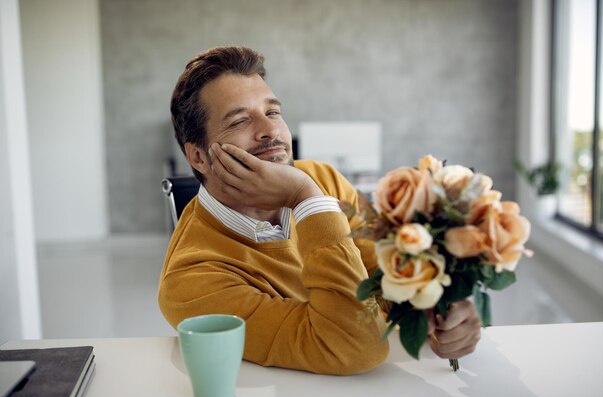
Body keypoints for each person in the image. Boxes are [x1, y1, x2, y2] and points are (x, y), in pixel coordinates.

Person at [158, 46, 481, 375]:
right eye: (240, 120)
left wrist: (438, 312)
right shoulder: (190, 281)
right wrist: (305, 198)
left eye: (272, 112)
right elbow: (353, 346)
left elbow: (385, 282)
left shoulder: (322, 178)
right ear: (198, 158)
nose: (270, 131)